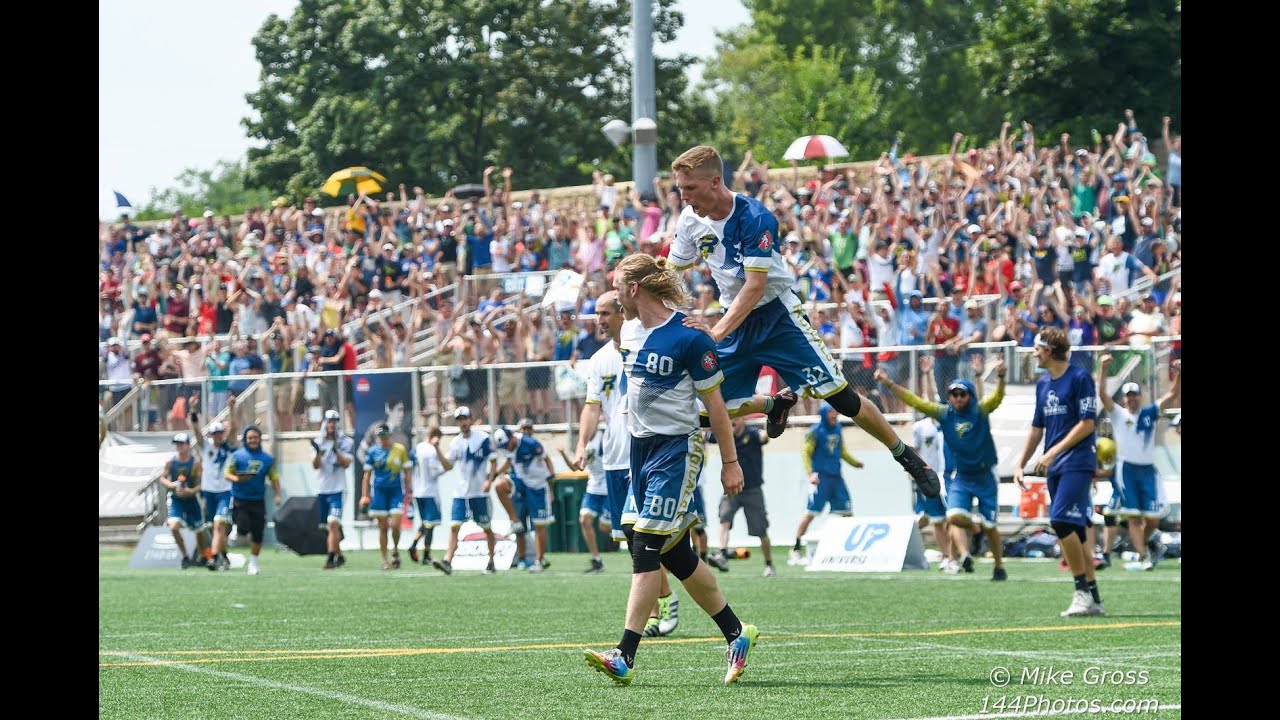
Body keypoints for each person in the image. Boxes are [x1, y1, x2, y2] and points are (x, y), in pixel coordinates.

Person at [667, 146, 938, 497]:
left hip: (776, 318)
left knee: (842, 399)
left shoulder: (754, 217)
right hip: (734, 323)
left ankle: (908, 458)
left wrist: (715, 333)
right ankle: (773, 404)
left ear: (715, 182)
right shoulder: (690, 221)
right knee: (700, 414)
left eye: (689, 188)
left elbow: (755, 286)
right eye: (680, 189)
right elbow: (672, 273)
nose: (683, 197)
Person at [584, 254, 758, 686]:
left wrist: (730, 462)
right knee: (676, 555)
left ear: (634, 289)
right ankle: (737, 634)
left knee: (644, 547)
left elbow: (716, 405)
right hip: (639, 454)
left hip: (676, 453)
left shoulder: (688, 338)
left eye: (616, 286)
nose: (611, 295)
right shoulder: (629, 332)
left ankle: (624, 655)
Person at [572, 290, 681, 635]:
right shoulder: (600, 360)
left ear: (623, 312)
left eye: (605, 313)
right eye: (597, 315)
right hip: (615, 458)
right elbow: (592, 407)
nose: (600, 321)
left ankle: (657, 611)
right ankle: (664, 598)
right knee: (634, 541)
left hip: (647, 453)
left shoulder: (646, 345)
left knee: (643, 538)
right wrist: (580, 444)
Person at [879, 357, 1009, 580]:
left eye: (962, 394)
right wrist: (889, 384)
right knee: (954, 516)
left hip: (985, 475)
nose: (958, 398)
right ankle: (970, 537)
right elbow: (915, 400)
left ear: (970, 396)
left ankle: (998, 566)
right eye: (954, 394)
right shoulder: (944, 414)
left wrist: (1001, 378)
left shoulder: (979, 411)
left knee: (992, 527)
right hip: (962, 477)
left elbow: (997, 398)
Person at [1013, 328, 1103, 617]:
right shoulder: (1042, 384)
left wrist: (1052, 453)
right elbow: (1037, 428)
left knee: (1060, 521)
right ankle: (1095, 600)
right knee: (1075, 530)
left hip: (1077, 461)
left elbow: (1087, 424)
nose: (1034, 352)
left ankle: (1081, 592)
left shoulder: (1080, 378)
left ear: (1050, 349)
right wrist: (1021, 463)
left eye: (1038, 347)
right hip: (1054, 466)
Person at [1097, 356, 1181, 571]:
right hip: (1127, 470)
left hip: (1148, 471)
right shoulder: (1118, 414)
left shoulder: (1148, 413)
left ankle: (1141, 548)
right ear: (1124, 399)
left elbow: (1172, 394)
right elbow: (1103, 395)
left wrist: (1178, 373)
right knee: (1134, 518)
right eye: (1128, 396)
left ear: (1140, 397)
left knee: (1153, 519)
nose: (1132, 399)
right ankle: (1143, 557)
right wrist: (1104, 369)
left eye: (1135, 395)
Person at [788, 402, 865, 566]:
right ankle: (795, 549)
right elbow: (806, 453)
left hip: (837, 478)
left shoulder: (838, 429)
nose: (835, 415)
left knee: (847, 512)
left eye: (836, 411)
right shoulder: (814, 432)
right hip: (821, 479)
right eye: (831, 411)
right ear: (824, 413)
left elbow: (841, 451)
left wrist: (854, 463)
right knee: (810, 513)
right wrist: (810, 474)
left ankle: (850, 548)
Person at [434, 406, 498, 575]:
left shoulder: (483, 439)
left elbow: (493, 461)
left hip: (479, 493)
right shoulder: (456, 442)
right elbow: (448, 465)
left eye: (465, 418)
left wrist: (489, 481)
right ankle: (448, 561)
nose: (463, 422)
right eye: (460, 420)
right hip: (461, 493)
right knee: (455, 526)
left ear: (470, 419)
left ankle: (491, 561)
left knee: (486, 527)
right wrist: (437, 449)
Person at [711, 418, 776, 577]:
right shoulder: (724, 433)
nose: (732, 421)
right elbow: (706, 435)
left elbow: (764, 436)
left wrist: (774, 424)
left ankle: (769, 564)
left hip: (752, 489)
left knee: (761, 531)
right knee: (724, 519)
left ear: (743, 420)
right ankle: (722, 554)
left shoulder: (753, 434)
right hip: (732, 488)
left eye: (736, 419)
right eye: (730, 418)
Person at [493, 419, 557, 572]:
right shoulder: (508, 447)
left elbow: (547, 460)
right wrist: (495, 475)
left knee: (540, 524)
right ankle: (514, 521)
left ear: (512, 438)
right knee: (500, 486)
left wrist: (551, 483)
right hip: (521, 481)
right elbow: (508, 462)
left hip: (538, 486)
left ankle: (539, 561)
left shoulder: (530, 444)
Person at [224, 425, 282, 576]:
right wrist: (239, 478)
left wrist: (277, 494)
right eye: (250, 438)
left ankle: (253, 563)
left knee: (258, 533)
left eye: (255, 437)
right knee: (243, 527)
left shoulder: (267, 459)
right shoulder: (237, 456)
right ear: (245, 439)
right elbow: (227, 474)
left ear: (260, 439)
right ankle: (236, 529)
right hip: (240, 499)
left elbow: (274, 477)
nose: (253, 440)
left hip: (258, 500)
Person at [360, 424, 413, 570]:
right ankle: (384, 560)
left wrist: (410, 491)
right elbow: (367, 476)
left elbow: (408, 471)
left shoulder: (400, 450)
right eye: (380, 437)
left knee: (396, 525)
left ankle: (395, 550)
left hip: (396, 492)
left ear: (390, 435)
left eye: (385, 436)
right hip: (379, 493)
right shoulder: (372, 452)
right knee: (383, 528)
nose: (383, 440)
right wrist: (364, 496)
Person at [192, 398, 236, 572]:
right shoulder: (205, 448)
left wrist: (232, 409)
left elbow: (234, 429)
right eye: (215, 433)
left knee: (219, 524)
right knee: (213, 527)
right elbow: (195, 431)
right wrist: (193, 410)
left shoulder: (229, 447)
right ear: (210, 435)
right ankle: (224, 556)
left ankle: (214, 558)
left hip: (224, 492)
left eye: (220, 433)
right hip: (208, 492)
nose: (218, 436)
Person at [910, 414, 954, 573]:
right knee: (935, 519)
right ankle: (946, 554)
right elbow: (914, 450)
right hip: (928, 478)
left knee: (952, 516)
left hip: (948, 477)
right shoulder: (920, 427)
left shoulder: (949, 424)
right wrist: (914, 470)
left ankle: (951, 554)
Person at [564, 429, 610, 573]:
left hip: (610, 488)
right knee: (584, 520)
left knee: (605, 528)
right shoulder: (587, 444)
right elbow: (577, 467)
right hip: (594, 488)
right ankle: (596, 560)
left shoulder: (606, 434)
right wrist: (563, 453)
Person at [407, 426, 454, 566]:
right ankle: (424, 553)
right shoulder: (431, 451)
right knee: (431, 523)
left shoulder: (416, 449)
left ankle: (415, 546)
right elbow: (436, 471)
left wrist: (410, 490)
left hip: (418, 492)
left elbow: (410, 471)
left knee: (426, 522)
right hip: (430, 492)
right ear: (436, 436)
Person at [313, 409, 354, 570]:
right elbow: (315, 466)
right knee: (327, 527)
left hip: (338, 489)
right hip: (323, 489)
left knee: (332, 524)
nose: (331, 424)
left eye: (334, 421)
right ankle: (340, 555)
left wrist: (336, 450)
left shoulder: (345, 442)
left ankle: (330, 558)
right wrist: (318, 453)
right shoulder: (318, 441)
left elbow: (346, 464)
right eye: (329, 421)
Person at [163, 432, 205, 569]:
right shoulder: (171, 462)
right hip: (177, 500)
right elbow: (163, 478)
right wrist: (172, 485)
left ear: (188, 445)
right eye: (177, 444)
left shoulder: (195, 463)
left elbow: (200, 484)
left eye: (181, 444)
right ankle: (185, 556)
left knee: (199, 529)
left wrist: (191, 491)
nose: (179, 447)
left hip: (192, 499)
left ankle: (202, 555)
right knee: (174, 526)